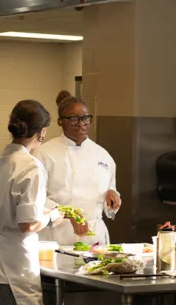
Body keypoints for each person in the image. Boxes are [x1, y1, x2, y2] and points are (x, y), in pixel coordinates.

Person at [0, 100, 64, 305]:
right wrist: (51, 217)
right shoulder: (31, 166)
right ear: (42, 132)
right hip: (15, 270)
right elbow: (28, 225)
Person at [35, 91, 120, 246]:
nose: (81, 124)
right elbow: (36, 198)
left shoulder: (102, 155)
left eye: (86, 118)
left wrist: (112, 197)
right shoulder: (44, 153)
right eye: (73, 119)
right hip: (57, 235)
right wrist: (68, 213)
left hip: (94, 236)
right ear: (60, 122)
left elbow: (110, 194)